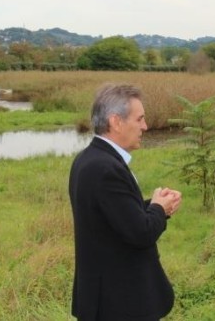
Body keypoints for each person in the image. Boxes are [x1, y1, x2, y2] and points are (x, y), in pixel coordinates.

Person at [69, 83, 182, 321]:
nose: (145, 126)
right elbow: (140, 233)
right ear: (116, 122)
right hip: (119, 302)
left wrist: (158, 205)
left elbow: (115, 215)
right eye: (139, 119)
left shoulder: (89, 159)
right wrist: (158, 209)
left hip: (107, 296)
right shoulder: (105, 168)